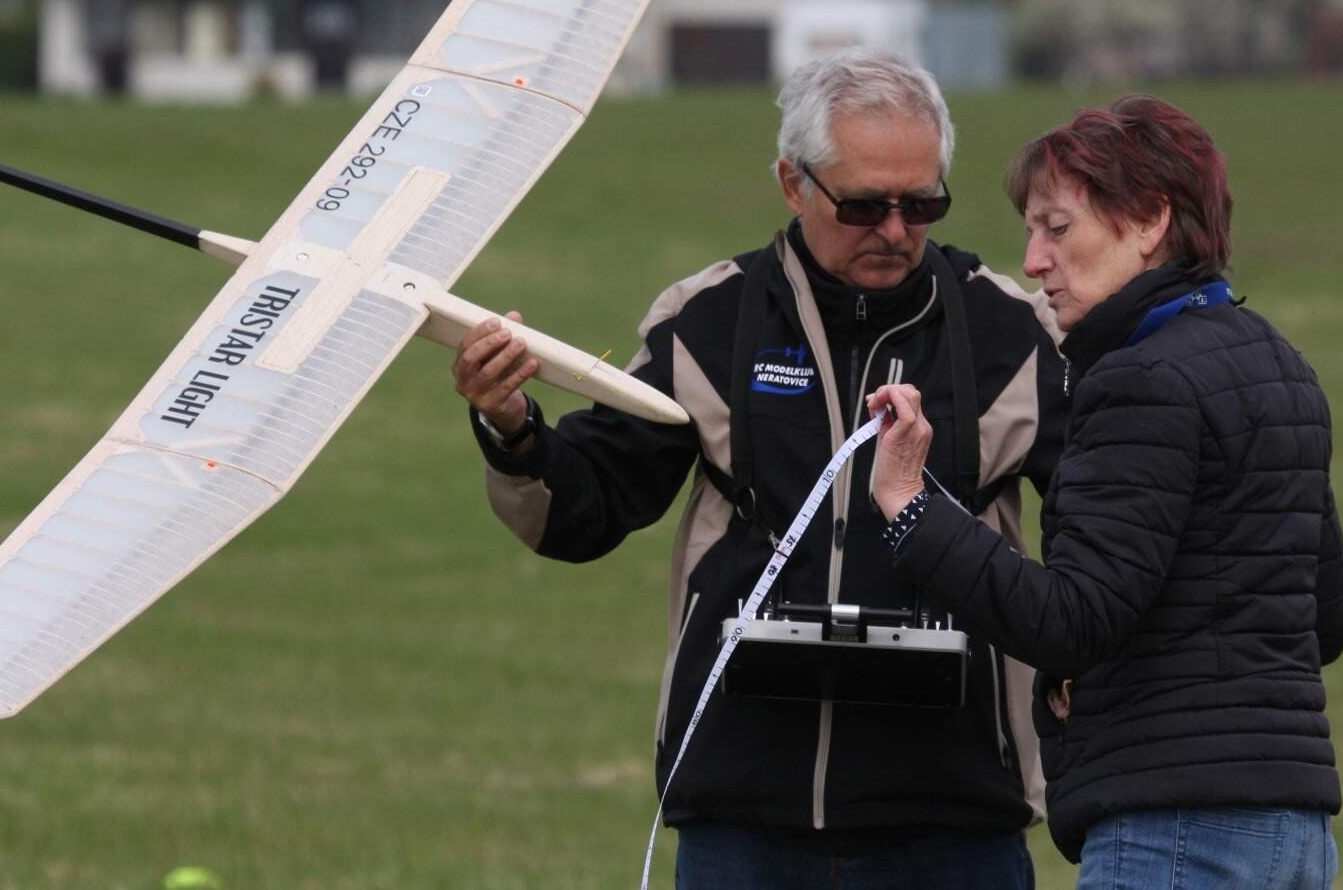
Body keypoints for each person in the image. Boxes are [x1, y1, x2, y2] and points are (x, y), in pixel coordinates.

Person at [453, 50, 1069, 888]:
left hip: (956, 823)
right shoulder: (708, 321)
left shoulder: (1012, 336)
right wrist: (513, 427)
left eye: (922, 204)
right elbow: (585, 508)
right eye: (864, 205)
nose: (895, 231)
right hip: (743, 822)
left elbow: (1102, 552)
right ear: (792, 183)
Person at [869, 94, 1343, 888]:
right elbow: (1324, 619)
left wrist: (910, 507)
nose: (1034, 260)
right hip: (1295, 836)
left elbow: (1072, 620)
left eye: (1058, 228)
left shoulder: (1139, 380)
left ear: (1150, 222)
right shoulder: (1281, 365)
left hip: (1175, 832)